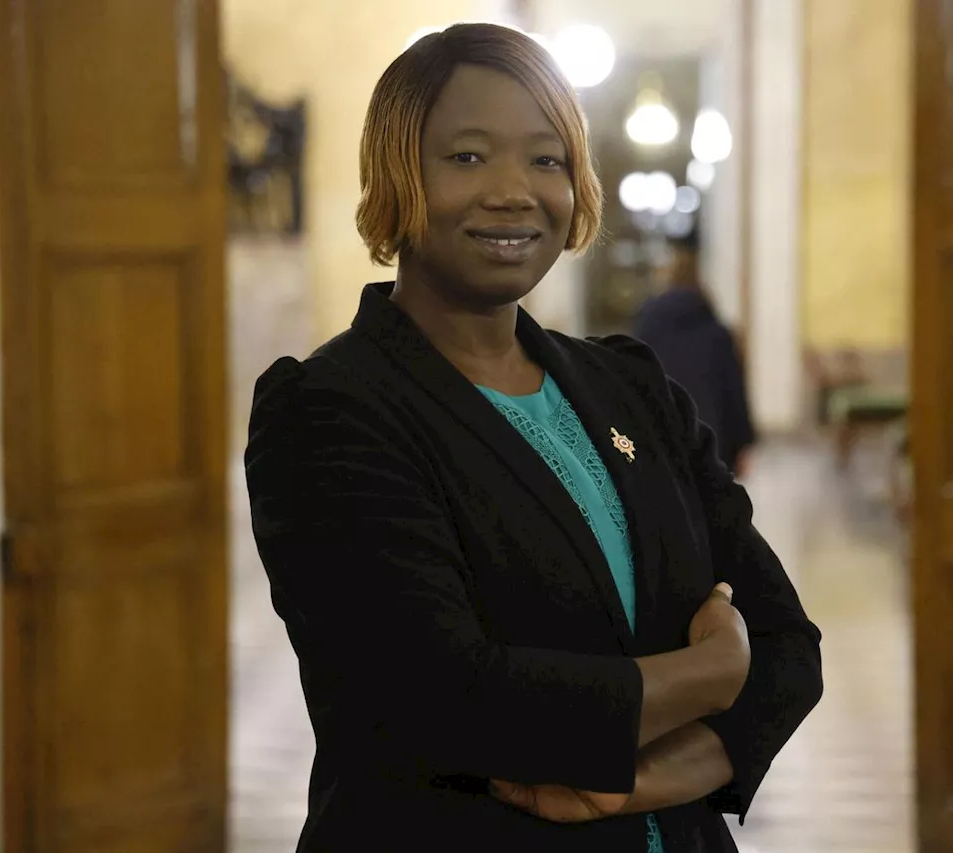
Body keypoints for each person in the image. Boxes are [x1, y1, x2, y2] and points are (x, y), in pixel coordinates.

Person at [244, 23, 822, 853]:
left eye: (546, 159)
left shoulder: (635, 388)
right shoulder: (331, 409)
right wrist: (704, 673)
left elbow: (786, 643)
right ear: (397, 172)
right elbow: (443, 700)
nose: (514, 191)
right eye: (468, 157)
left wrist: (657, 779)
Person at [634, 229, 756, 479]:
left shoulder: (648, 327)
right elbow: (733, 391)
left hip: (662, 437)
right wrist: (743, 443)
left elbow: (635, 382)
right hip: (712, 439)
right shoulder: (716, 333)